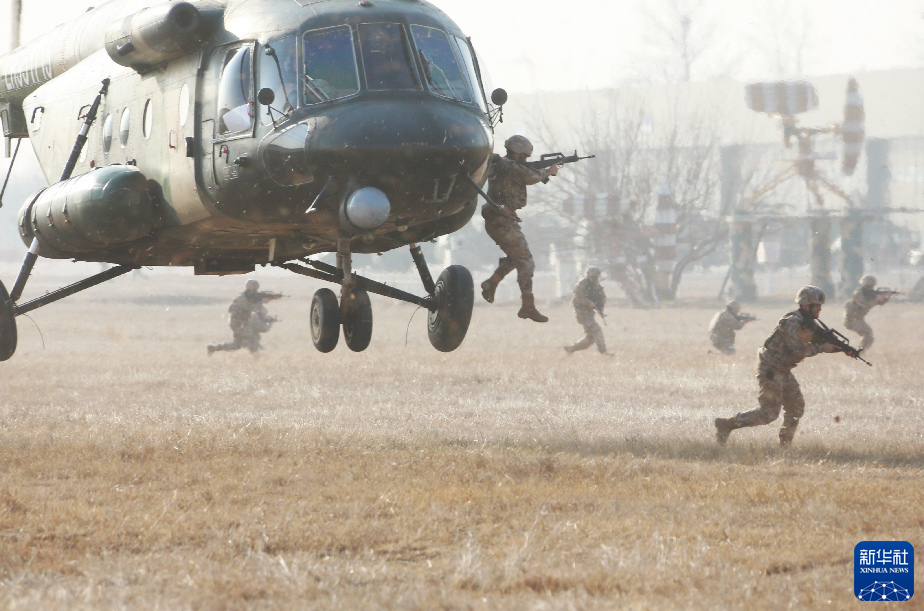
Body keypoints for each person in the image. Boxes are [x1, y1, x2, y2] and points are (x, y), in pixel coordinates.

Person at [714, 286, 840, 447]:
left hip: (782, 369)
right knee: (768, 414)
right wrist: (822, 348)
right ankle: (727, 425)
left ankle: (785, 447)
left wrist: (836, 348)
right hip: (771, 369)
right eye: (816, 306)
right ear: (806, 305)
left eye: (820, 306)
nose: (819, 310)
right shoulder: (792, 322)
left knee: (796, 408)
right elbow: (796, 350)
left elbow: (815, 341)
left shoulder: (806, 322)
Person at [480, 135, 559, 323]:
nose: (525, 159)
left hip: (501, 220)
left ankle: (491, 283)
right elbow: (530, 177)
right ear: (518, 153)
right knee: (526, 262)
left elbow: (525, 173)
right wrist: (549, 171)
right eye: (524, 155)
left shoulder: (505, 165)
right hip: (502, 221)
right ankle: (528, 307)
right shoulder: (509, 166)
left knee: (517, 258)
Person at [208, 280, 282, 355]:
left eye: (256, 289)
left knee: (236, 345)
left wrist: (270, 298)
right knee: (252, 337)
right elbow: (251, 308)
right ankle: (256, 358)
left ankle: (213, 348)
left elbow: (254, 305)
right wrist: (261, 302)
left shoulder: (251, 297)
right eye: (254, 289)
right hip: (236, 322)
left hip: (243, 321)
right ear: (248, 288)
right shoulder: (241, 298)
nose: (255, 291)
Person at [564, 266, 611, 355]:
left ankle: (571, 349)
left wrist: (600, 307)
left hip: (589, 314)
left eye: (596, 277)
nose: (594, 279)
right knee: (597, 330)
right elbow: (577, 298)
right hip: (581, 313)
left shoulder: (597, 286)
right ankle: (604, 352)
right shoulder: (582, 284)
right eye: (593, 277)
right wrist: (588, 303)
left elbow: (602, 297)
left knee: (590, 338)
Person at [843, 275, 892, 350]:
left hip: (859, 319)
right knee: (865, 333)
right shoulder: (858, 294)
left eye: (872, 286)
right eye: (870, 286)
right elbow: (865, 305)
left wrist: (885, 298)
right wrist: (877, 299)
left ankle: (860, 352)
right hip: (851, 319)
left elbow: (879, 303)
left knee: (870, 337)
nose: (871, 288)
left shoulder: (870, 293)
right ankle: (852, 351)